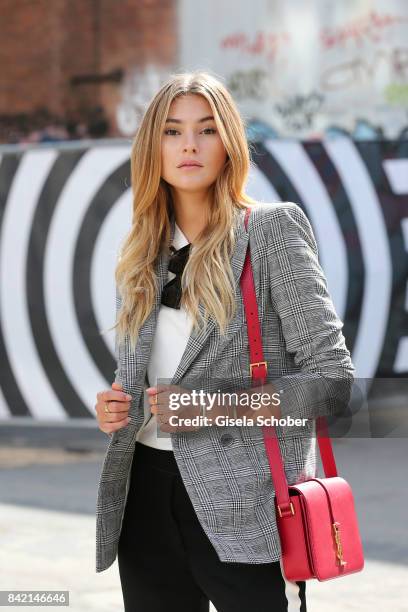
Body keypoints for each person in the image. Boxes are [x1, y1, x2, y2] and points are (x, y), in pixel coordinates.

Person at [94, 70, 355, 612]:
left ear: (229, 142)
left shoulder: (270, 232)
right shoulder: (140, 251)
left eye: (206, 129)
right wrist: (118, 404)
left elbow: (331, 383)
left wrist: (207, 407)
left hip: (248, 505)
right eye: (171, 131)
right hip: (143, 496)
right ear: (152, 147)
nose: (189, 144)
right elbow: (148, 376)